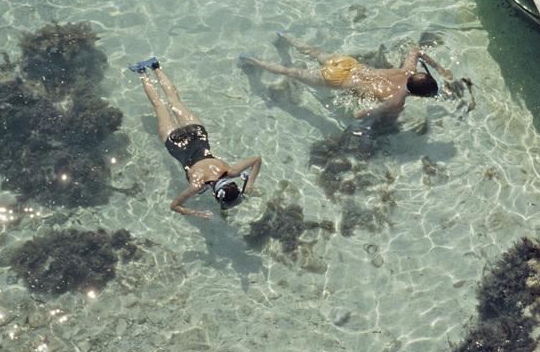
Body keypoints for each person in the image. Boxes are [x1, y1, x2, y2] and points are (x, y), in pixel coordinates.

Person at [131, 57, 261, 220]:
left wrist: (249, 184)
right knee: (159, 105)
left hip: (197, 134)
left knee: (174, 100)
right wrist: (196, 213)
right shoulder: (197, 185)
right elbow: (175, 206)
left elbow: (257, 159)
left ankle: (155, 67)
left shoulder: (231, 171)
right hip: (176, 143)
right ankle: (141, 72)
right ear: (215, 195)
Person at [240, 34, 453, 120]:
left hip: (347, 64)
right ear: (419, 95)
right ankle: (251, 60)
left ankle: (283, 36)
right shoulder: (396, 100)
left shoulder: (407, 71)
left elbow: (416, 50)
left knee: (313, 52)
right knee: (291, 73)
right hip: (336, 80)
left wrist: (440, 69)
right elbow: (361, 114)